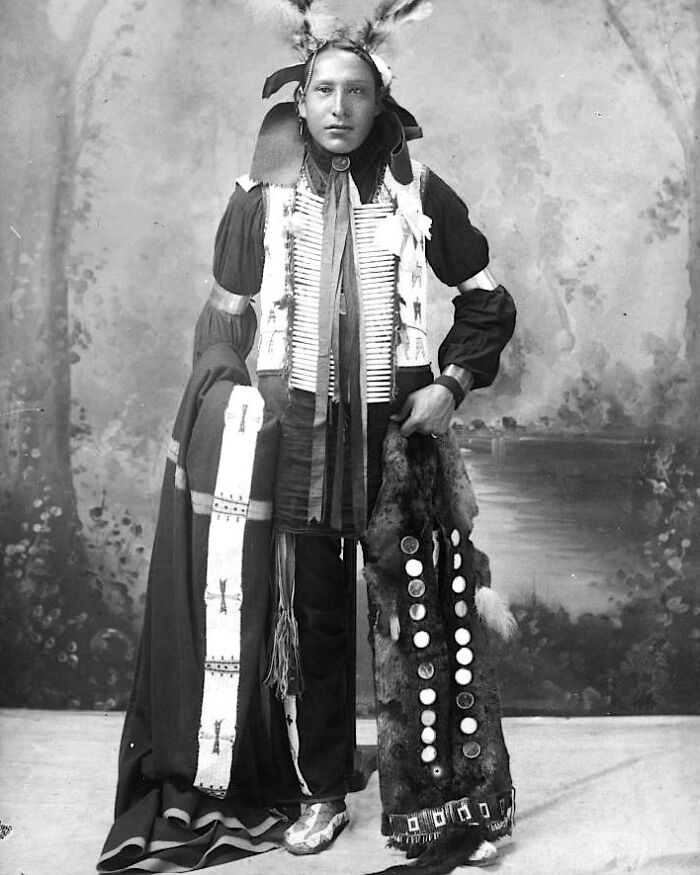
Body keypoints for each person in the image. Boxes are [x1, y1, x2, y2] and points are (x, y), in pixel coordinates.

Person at [98, 5, 516, 872]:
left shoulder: (418, 191)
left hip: (400, 437)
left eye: (354, 92)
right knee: (317, 621)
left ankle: (440, 801)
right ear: (300, 98)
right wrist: (226, 402)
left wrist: (451, 382)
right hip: (297, 440)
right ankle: (323, 787)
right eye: (323, 89)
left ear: (380, 104)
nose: (337, 107)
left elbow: (485, 301)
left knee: (416, 616)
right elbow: (223, 322)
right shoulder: (262, 198)